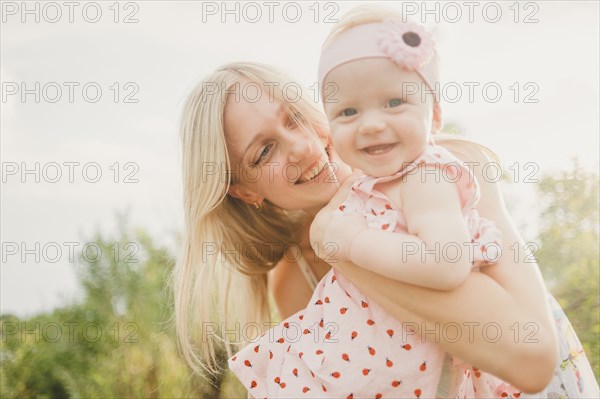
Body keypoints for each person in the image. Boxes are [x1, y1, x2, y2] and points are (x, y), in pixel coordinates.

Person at [173, 18, 596, 399]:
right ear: (245, 192)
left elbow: (532, 358)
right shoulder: (295, 279)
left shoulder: (442, 171)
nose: (301, 147)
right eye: (264, 152)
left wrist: (339, 241)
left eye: (295, 116)